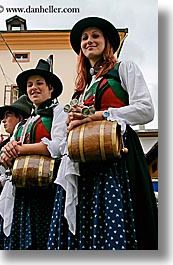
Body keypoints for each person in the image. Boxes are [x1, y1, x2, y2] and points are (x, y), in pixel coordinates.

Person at [47, 17, 158, 250]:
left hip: (118, 157)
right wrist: (71, 123)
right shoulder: (82, 89)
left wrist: (98, 115)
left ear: (107, 42)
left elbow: (145, 110)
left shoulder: (124, 68)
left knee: (116, 217)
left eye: (95, 35)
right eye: (84, 38)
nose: (89, 41)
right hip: (85, 163)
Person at [0, 59, 67, 250]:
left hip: (47, 189)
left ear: (51, 88)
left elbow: (59, 146)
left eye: (39, 83)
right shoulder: (22, 124)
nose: (34, 88)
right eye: (30, 85)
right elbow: (3, 159)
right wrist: (6, 155)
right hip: (21, 192)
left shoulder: (59, 111)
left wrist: (21, 149)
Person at [0, 95, 32, 240]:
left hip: (17, 199)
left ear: (20, 118)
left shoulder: (24, 144)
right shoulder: (4, 145)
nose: (3, 120)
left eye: (8, 116)